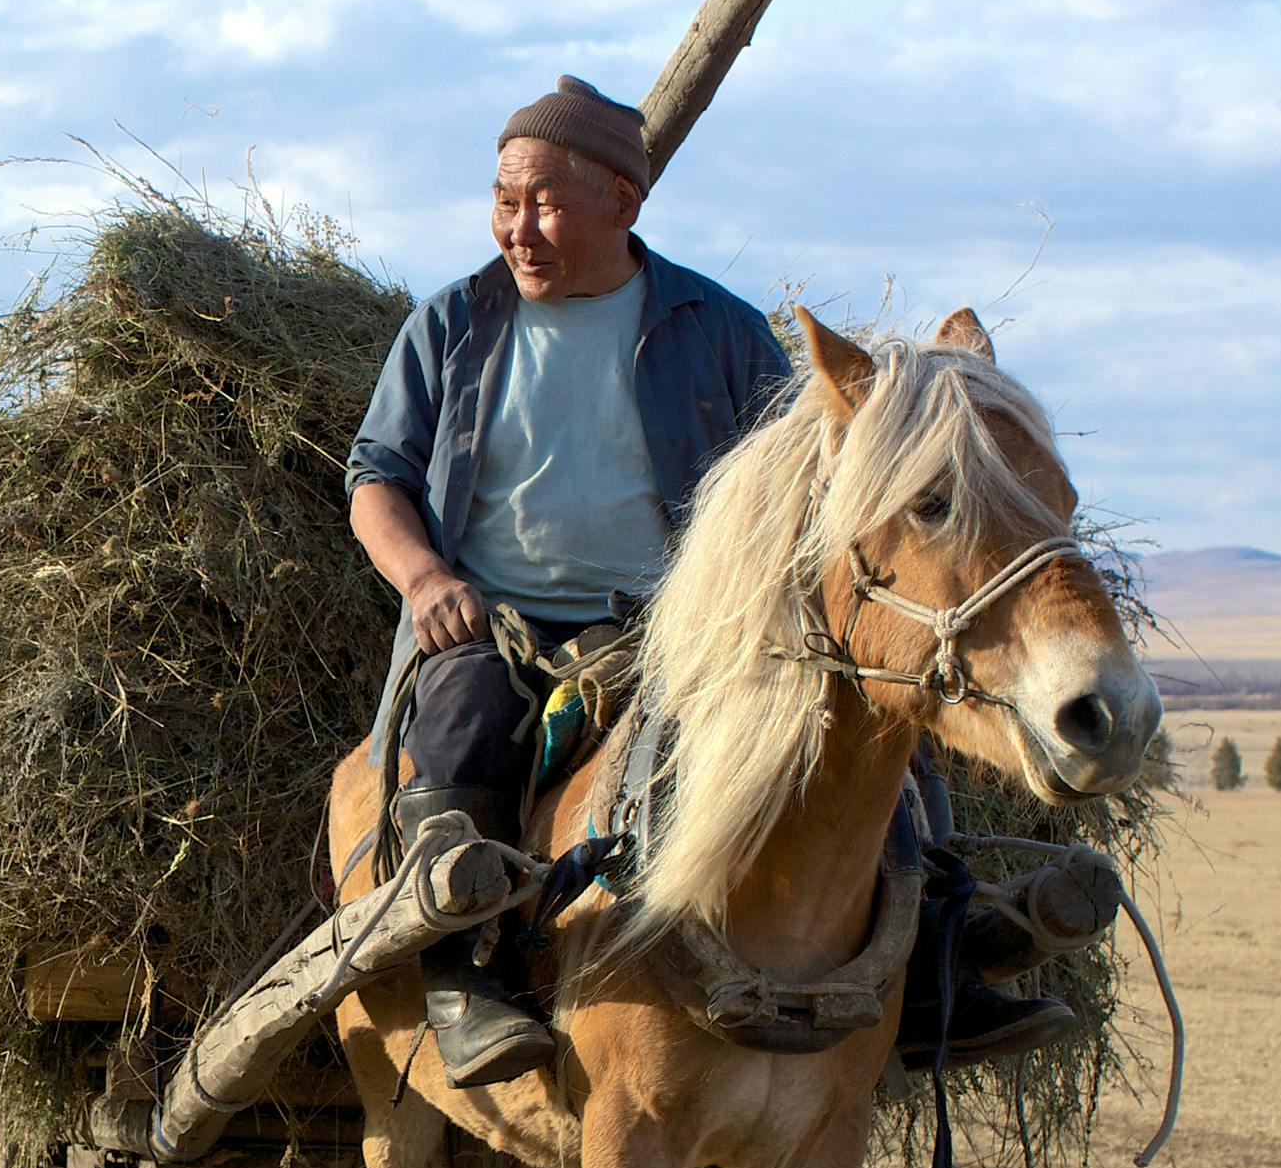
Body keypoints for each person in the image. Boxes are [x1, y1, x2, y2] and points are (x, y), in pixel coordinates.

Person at [345, 77, 1068, 1087]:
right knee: (461, 734)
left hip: (687, 629)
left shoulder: (717, 330)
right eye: (506, 200)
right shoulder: (453, 326)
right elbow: (376, 476)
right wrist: (423, 579)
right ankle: (470, 980)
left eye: (545, 202)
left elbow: (810, 480)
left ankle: (938, 951)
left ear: (623, 206)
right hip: (498, 628)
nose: (519, 227)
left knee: (869, 734)